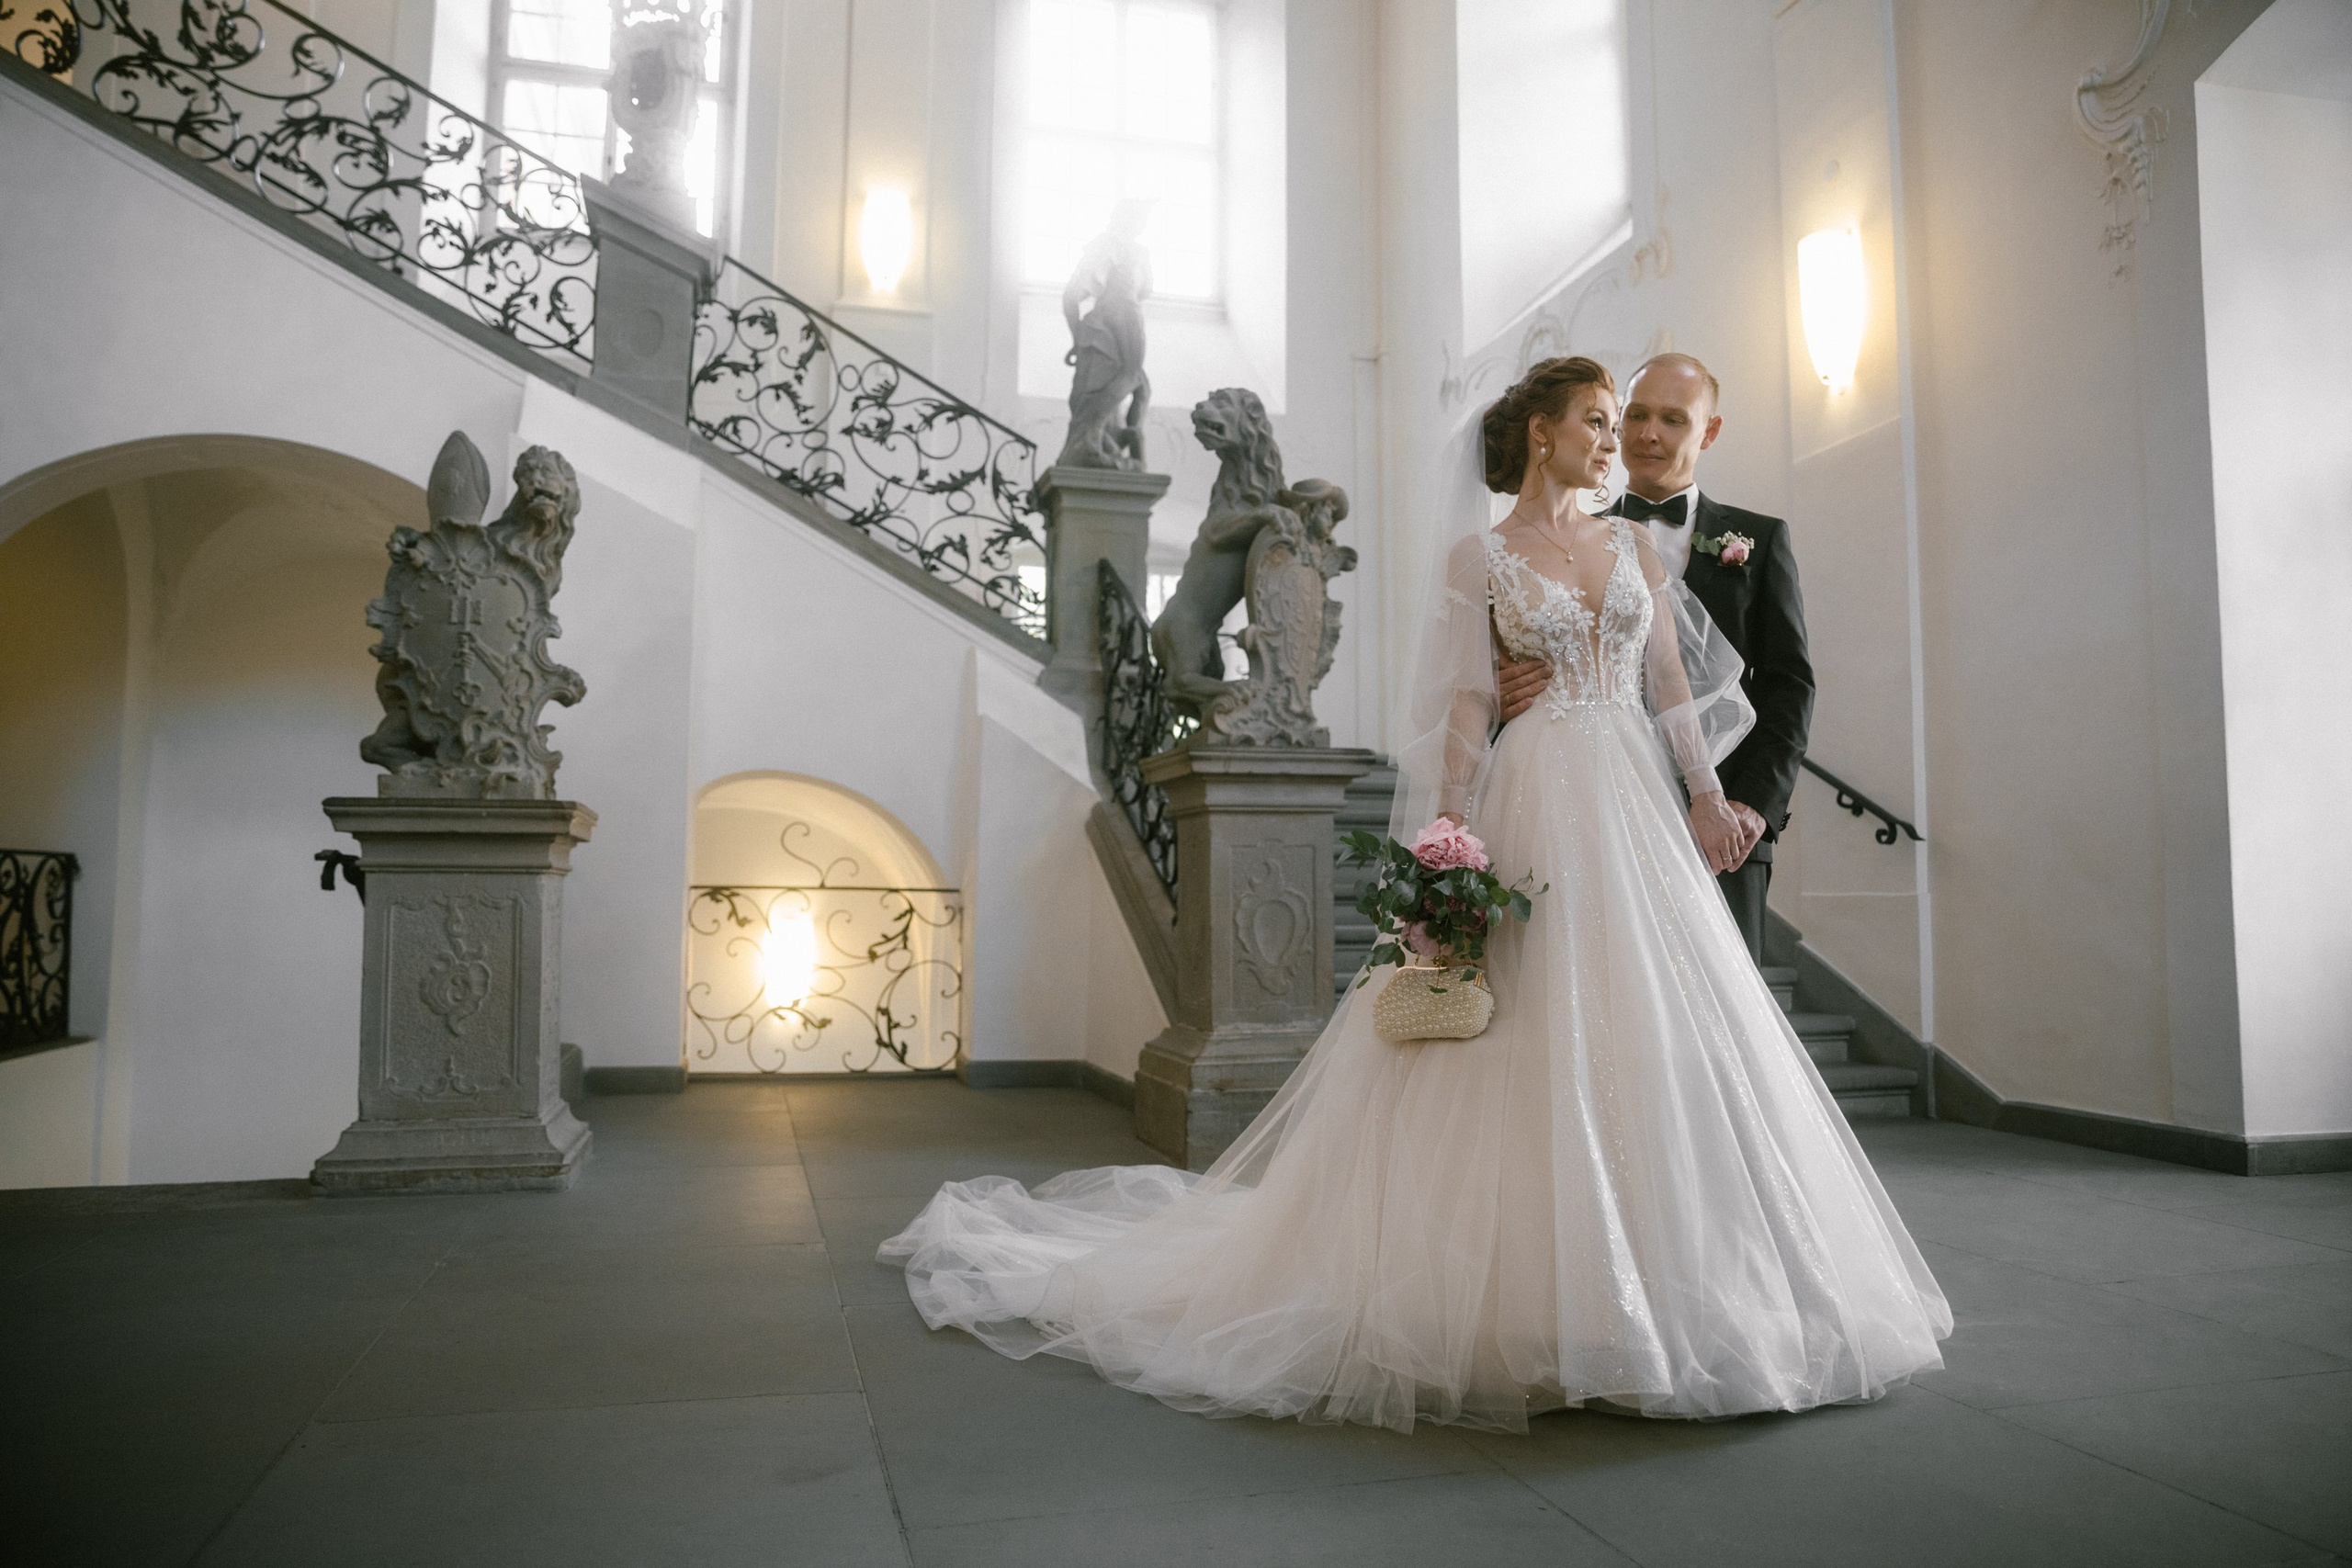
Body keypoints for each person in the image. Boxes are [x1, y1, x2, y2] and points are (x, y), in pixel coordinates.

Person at [878, 356, 1949, 1434]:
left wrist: (1714, 798)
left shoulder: (1630, 543)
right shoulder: (1479, 557)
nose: (1615, 438)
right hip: (1533, 797)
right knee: (1524, 1032)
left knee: (1662, 1036)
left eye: (1624, 422)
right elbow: (1470, 706)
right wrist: (1447, 841)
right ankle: (1534, 1299)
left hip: (1633, 800)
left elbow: (1672, 687)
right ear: (1540, 433)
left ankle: (1685, 1288)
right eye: (1597, 420)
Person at [1496, 352, 1812, 964]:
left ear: (1709, 430)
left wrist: (1746, 804)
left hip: (1723, 825)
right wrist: (1502, 687)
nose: (1645, 434)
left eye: (1672, 418)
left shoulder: (1760, 538)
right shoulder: (1556, 538)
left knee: (1723, 1014)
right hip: (1591, 811)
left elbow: (1790, 685)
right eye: (1634, 415)